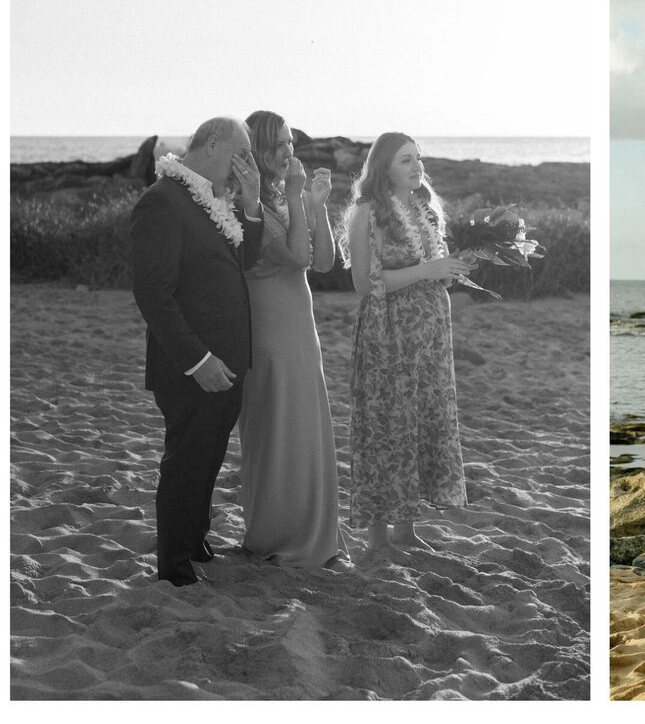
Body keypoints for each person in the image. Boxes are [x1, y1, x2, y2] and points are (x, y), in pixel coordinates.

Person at [131, 116, 263, 586]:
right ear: (211, 145)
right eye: (240, 154)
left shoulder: (210, 200)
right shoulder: (163, 202)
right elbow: (152, 293)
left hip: (227, 358)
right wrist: (198, 360)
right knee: (186, 457)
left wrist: (251, 206)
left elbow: (243, 261)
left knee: (209, 454)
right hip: (191, 364)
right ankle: (173, 561)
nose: (246, 164)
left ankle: (194, 537)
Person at [341, 132, 471, 559]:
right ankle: (378, 537)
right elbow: (366, 283)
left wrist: (447, 272)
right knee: (386, 426)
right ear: (383, 168)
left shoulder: (424, 209)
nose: (416, 167)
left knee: (419, 422)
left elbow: (431, 268)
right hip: (388, 333)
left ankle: (407, 529)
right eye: (404, 160)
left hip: (429, 337)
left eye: (418, 158)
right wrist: (426, 270)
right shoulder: (367, 214)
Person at [237, 110, 348, 569]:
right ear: (260, 149)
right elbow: (297, 256)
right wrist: (300, 196)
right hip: (269, 329)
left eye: (291, 143)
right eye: (280, 144)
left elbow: (324, 262)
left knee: (305, 423)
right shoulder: (248, 205)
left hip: (301, 328)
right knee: (277, 425)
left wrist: (316, 205)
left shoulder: (285, 197)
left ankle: (312, 530)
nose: (289, 152)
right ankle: (275, 533)